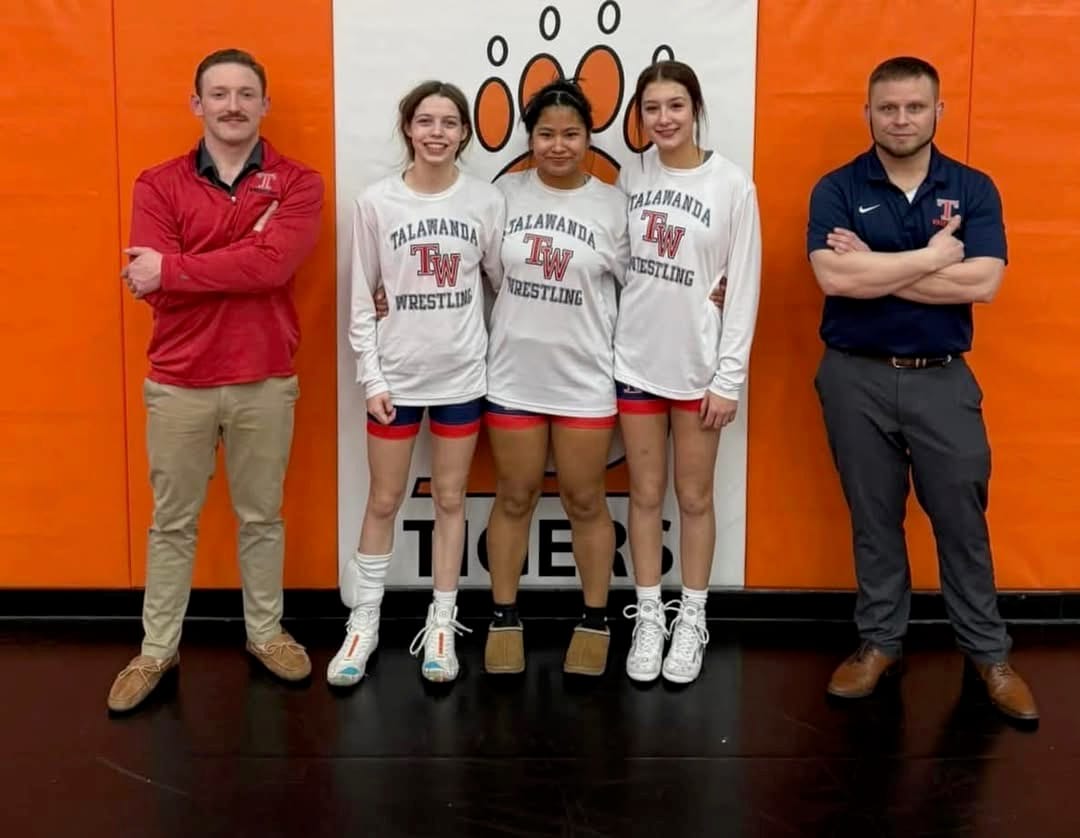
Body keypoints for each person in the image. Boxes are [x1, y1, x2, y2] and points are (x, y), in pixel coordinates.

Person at [807, 56, 1037, 722]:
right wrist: (935, 259)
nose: (901, 119)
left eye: (914, 107)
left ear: (937, 112)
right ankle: (880, 643)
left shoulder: (971, 189)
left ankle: (989, 654)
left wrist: (877, 269)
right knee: (874, 519)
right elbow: (834, 281)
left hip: (941, 377)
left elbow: (983, 283)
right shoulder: (838, 188)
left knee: (962, 521)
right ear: (868, 113)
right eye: (888, 108)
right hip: (854, 376)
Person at [108, 48, 324, 713]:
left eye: (246, 93)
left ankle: (266, 633)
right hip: (179, 380)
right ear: (196, 104)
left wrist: (177, 268)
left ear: (265, 104)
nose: (233, 105)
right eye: (219, 94)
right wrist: (243, 251)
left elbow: (269, 269)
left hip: (264, 377)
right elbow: (152, 285)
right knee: (172, 522)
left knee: (261, 516)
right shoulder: (157, 184)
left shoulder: (299, 183)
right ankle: (156, 650)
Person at [331, 81, 504, 687]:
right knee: (384, 499)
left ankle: (441, 620)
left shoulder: (485, 202)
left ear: (464, 133)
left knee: (451, 499)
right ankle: (365, 622)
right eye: (425, 121)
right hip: (396, 380)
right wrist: (371, 375)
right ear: (408, 128)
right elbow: (359, 301)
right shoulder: (376, 204)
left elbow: (503, 286)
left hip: (462, 376)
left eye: (450, 122)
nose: (437, 132)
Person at [614, 60, 762, 685]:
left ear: (695, 108)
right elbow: (616, 262)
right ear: (639, 117)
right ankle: (649, 615)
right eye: (652, 108)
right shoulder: (630, 174)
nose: (664, 119)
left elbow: (745, 284)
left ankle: (692, 617)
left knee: (695, 497)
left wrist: (728, 378)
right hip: (637, 359)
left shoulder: (732, 185)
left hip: (700, 370)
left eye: (675, 105)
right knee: (644, 496)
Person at [479, 80, 629, 677]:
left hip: (585, 376)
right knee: (514, 496)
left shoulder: (613, 205)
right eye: (546, 134)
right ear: (529, 138)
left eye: (571, 134)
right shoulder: (504, 194)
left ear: (589, 138)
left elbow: (640, 282)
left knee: (584, 497)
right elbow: (484, 273)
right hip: (514, 374)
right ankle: (503, 616)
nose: (558, 145)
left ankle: (594, 618)